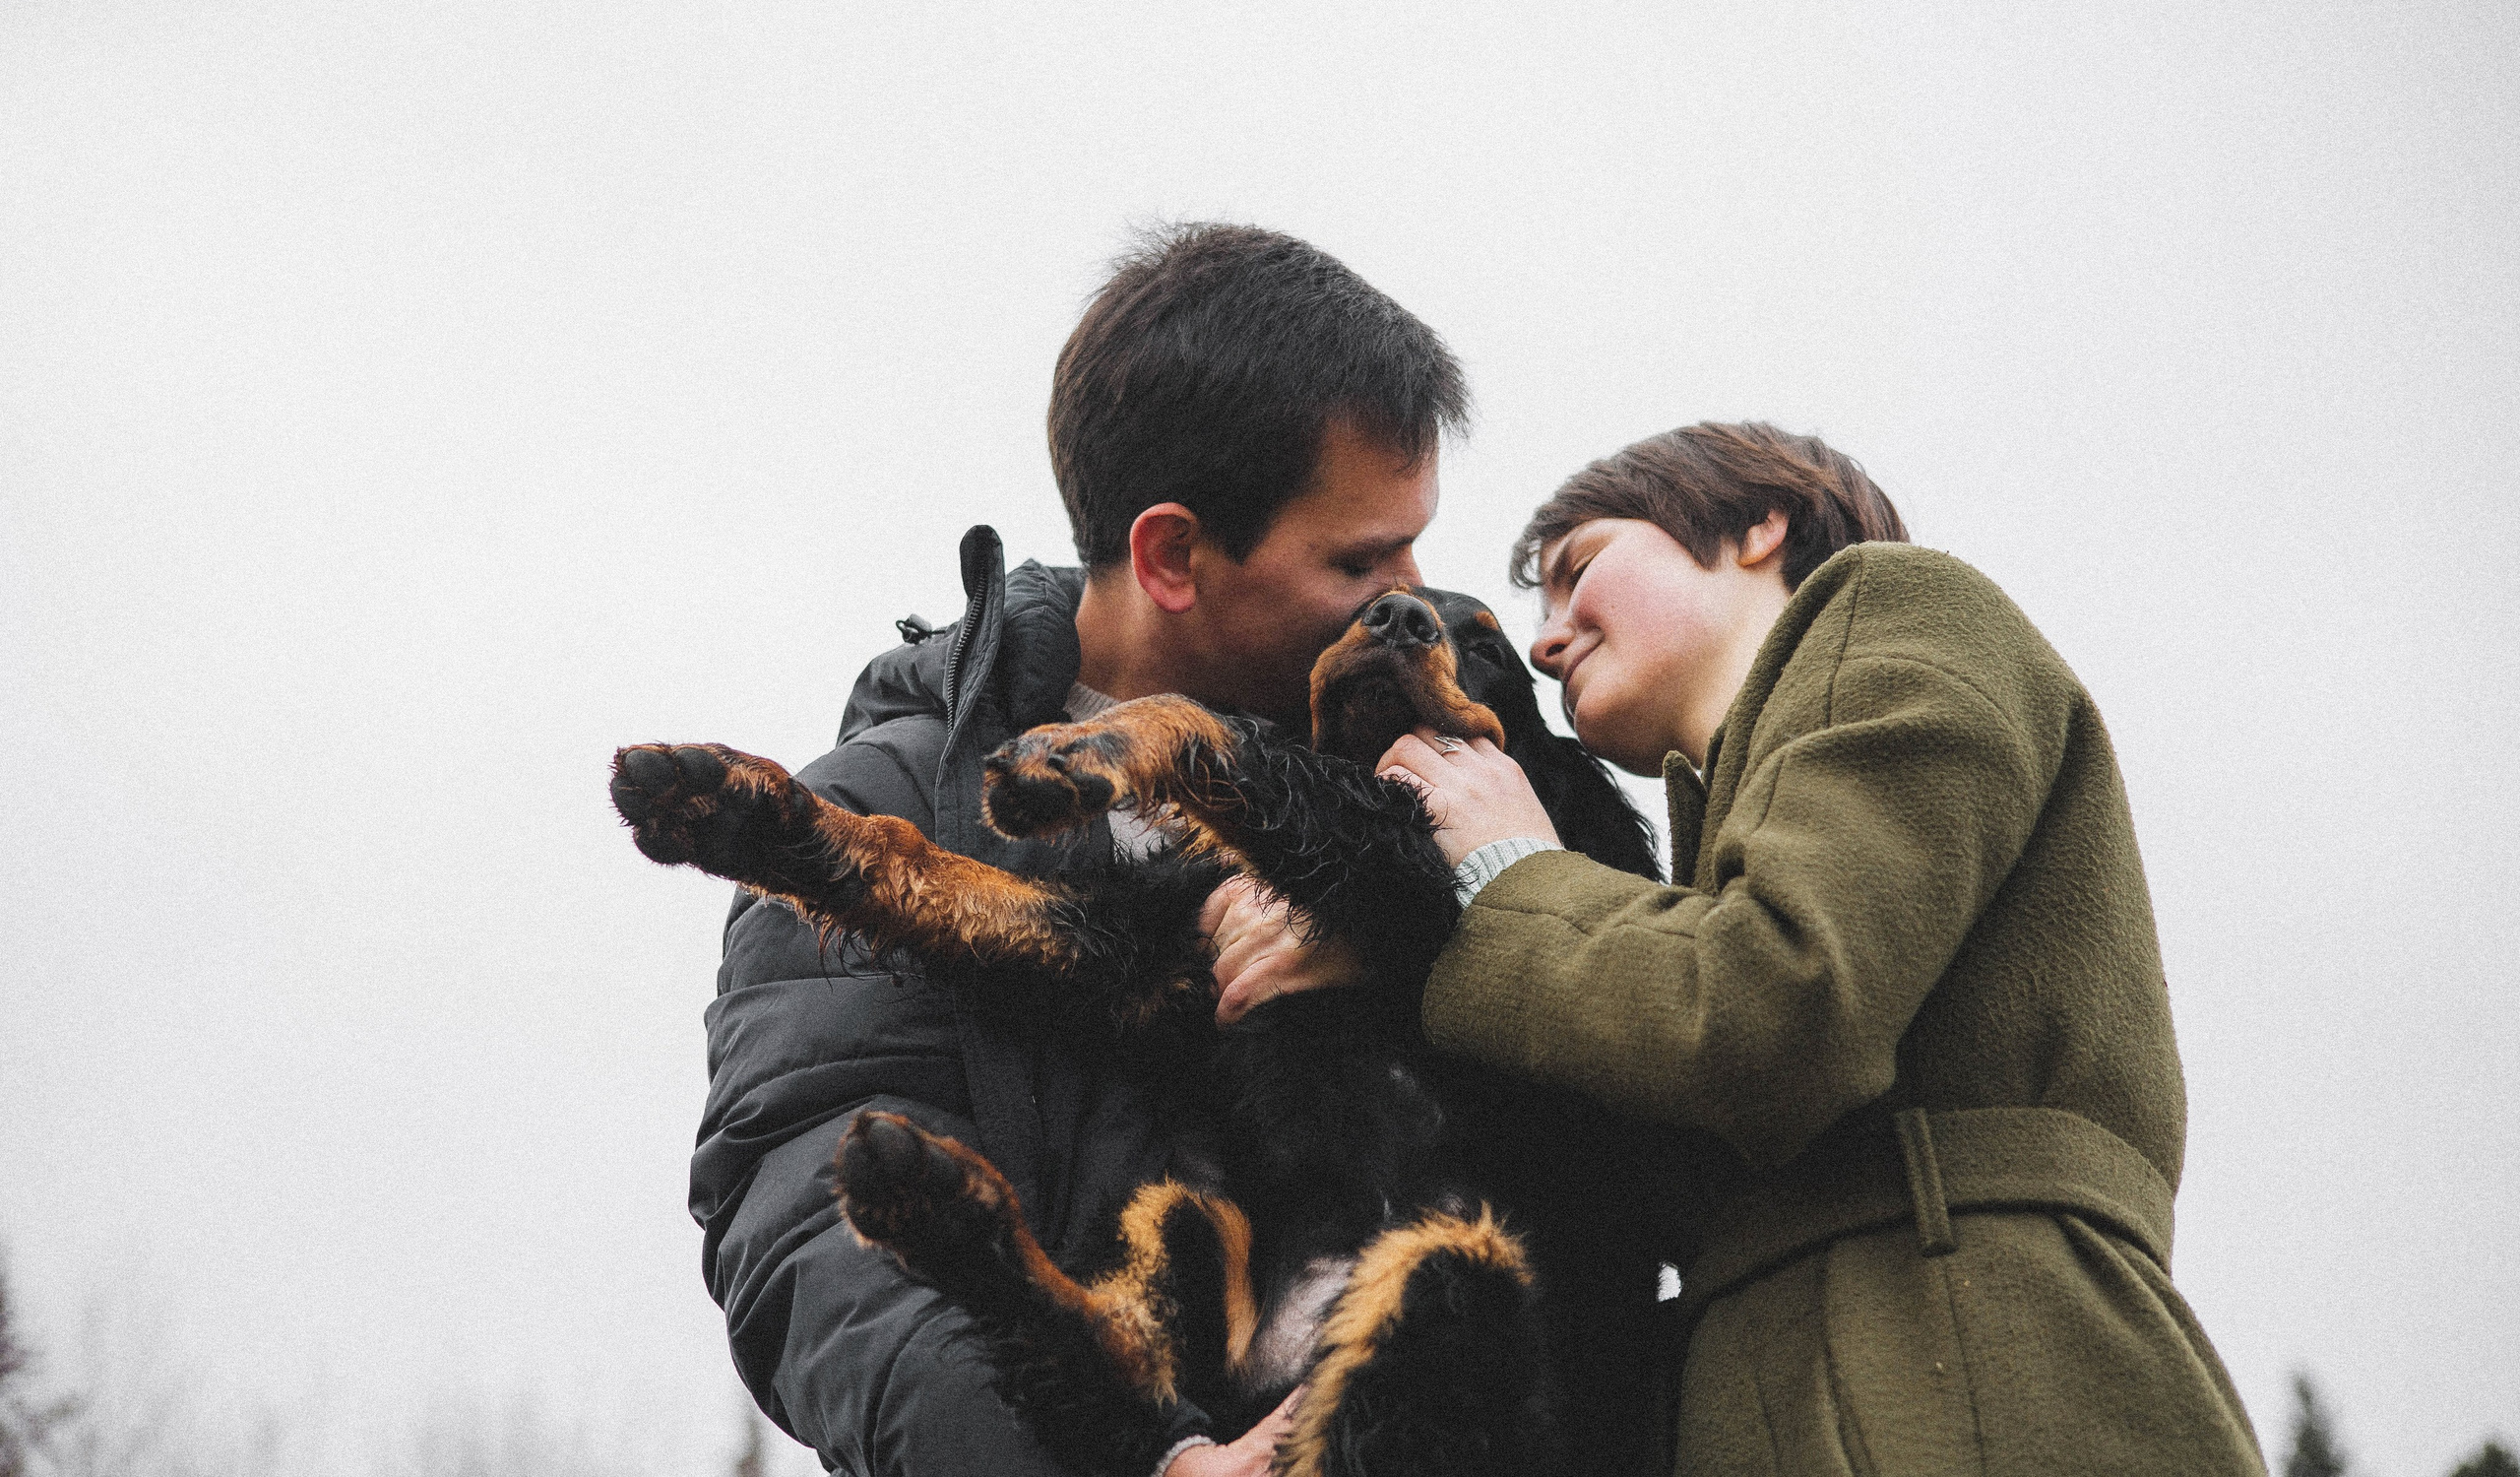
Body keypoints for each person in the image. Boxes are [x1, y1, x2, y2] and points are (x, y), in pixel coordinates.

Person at [1218, 421, 2268, 1474]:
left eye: (1578, 569)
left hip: (1974, 1376)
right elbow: (1636, 1150)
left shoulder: (1897, 605)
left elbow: (1773, 1009)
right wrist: (1378, 948)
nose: (1544, 639)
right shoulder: (1715, 850)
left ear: (1760, 525)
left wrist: (1507, 870)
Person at [687, 224, 1467, 1477]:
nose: (1413, 593)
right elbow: (807, 1236)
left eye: (1415, 541)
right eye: (1360, 557)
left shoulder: (1400, 767)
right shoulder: (883, 811)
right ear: (1170, 553)